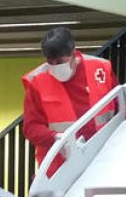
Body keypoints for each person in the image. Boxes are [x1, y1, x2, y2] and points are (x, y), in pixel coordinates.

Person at [21, 27, 118, 174]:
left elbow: (121, 108)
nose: (55, 67)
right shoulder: (37, 82)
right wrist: (55, 138)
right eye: (50, 62)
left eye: (60, 62)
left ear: (73, 53)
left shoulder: (100, 69)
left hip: (103, 158)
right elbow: (31, 127)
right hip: (60, 168)